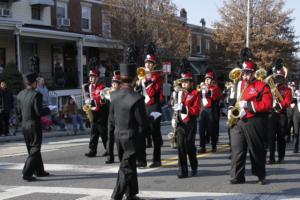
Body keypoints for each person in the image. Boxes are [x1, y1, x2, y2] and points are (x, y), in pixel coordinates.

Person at [229, 58, 272, 185]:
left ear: (254, 73)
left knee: (256, 149)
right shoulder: (238, 84)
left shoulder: (262, 85)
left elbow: (267, 104)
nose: (245, 75)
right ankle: (237, 176)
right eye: (244, 72)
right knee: (237, 150)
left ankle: (260, 175)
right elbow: (232, 100)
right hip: (238, 121)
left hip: (254, 120)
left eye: (248, 73)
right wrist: (232, 109)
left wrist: (247, 105)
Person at [109, 63, 148, 200]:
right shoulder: (137, 98)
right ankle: (116, 196)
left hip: (118, 134)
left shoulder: (113, 95)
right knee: (126, 168)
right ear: (134, 80)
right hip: (131, 136)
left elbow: (111, 120)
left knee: (128, 165)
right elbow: (142, 123)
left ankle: (131, 194)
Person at [16, 72, 51, 181]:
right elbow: (38, 112)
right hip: (34, 124)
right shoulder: (37, 95)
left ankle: (39, 171)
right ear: (33, 83)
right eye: (36, 81)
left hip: (24, 124)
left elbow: (18, 113)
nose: (37, 83)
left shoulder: (20, 94)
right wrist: (48, 109)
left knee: (32, 148)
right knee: (35, 148)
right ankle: (26, 173)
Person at [135, 53, 164, 168]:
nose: (147, 64)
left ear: (154, 65)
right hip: (144, 106)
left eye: (150, 63)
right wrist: (138, 83)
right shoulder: (142, 76)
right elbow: (137, 91)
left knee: (155, 133)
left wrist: (147, 80)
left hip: (154, 107)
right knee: (141, 132)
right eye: (146, 62)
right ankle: (142, 160)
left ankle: (157, 159)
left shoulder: (158, 76)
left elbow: (152, 93)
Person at [173, 71, 200, 178]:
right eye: (183, 82)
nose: (184, 84)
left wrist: (184, 108)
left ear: (191, 83)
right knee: (180, 146)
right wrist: (173, 118)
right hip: (179, 122)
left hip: (190, 122)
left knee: (189, 146)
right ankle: (182, 170)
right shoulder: (178, 93)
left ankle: (194, 166)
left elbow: (196, 110)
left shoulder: (195, 94)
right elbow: (174, 106)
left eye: (186, 82)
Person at [267, 66, 291, 164]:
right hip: (272, 114)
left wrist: (280, 105)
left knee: (281, 137)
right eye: (277, 77)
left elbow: (288, 102)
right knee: (271, 137)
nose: (278, 79)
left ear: (283, 78)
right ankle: (271, 158)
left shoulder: (287, 89)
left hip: (281, 115)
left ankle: (281, 157)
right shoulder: (270, 88)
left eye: (280, 77)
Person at [83, 68, 109, 157]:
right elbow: (88, 97)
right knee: (93, 132)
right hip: (93, 111)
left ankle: (108, 150)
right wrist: (87, 102)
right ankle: (92, 150)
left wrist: (101, 99)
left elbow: (104, 101)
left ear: (97, 77)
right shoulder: (89, 87)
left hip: (101, 112)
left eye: (93, 76)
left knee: (103, 132)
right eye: (90, 76)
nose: (91, 78)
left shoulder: (102, 87)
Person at [198, 71, 222, 153]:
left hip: (212, 110)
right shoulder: (202, 88)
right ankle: (202, 147)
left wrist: (207, 90)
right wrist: (199, 90)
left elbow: (215, 97)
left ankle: (213, 145)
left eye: (209, 80)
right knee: (201, 129)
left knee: (211, 129)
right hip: (203, 110)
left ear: (213, 81)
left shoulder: (216, 88)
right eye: (206, 79)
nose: (207, 81)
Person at [106, 70, 122, 164]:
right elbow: (103, 100)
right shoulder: (110, 92)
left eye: (115, 83)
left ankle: (121, 156)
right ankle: (110, 157)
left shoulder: (121, 93)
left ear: (120, 85)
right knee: (110, 137)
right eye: (113, 83)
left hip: (119, 117)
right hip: (111, 117)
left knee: (119, 138)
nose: (113, 85)